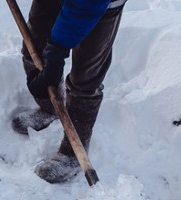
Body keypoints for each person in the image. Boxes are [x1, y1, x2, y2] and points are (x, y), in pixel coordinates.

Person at [12, 0, 127, 183]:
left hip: (100, 4)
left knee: (86, 76)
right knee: (35, 48)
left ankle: (73, 153)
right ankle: (51, 108)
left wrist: (57, 50)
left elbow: (87, 5)